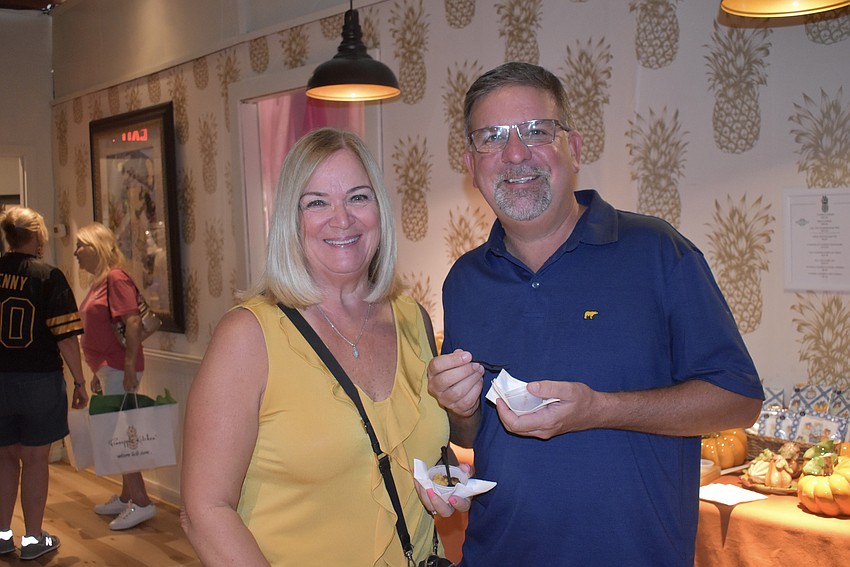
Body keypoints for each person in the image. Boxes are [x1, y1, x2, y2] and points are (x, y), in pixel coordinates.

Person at [426, 62, 765, 566]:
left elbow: (739, 400)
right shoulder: (466, 281)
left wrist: (601, 409)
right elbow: (471, 436)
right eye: (492, 138)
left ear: (575, 148)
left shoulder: (656, 251)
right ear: (471, 163)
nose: (515, 153)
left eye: (536, 131)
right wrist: (459, 407)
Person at [181, 128, 463, 566]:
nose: (342, 219)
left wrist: (442, 481)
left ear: (380, 210)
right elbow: (205, 512)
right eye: (317, 202)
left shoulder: (413, 318)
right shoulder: (248, 337)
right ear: (291, 220)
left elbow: (426, 449)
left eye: (357, 197)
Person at [0, 206, 88, 560]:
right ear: (36, 235)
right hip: (38, 381)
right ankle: (33, 539)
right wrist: (80, 382)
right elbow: (66, 339)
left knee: (4, 459)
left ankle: (2, 534)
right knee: (35, 460)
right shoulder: (48, 276)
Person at [74, 222, 157, 530]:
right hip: (109, 368)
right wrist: (97, 371)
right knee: (118, 433)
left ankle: (142, 502)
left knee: (121, 437)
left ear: (96, 247)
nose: (76, 253)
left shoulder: (116, 278)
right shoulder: (100, 281)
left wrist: (130, 367)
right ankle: (127, 497)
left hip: (120, 368)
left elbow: (133, 323)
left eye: (80, 246)